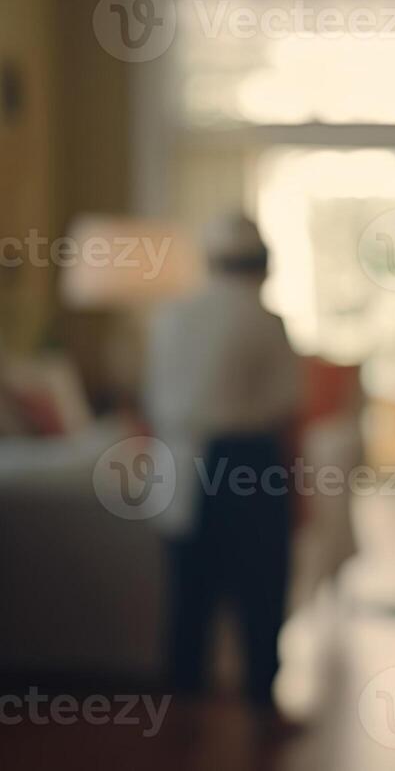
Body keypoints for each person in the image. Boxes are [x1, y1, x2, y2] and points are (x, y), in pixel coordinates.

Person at [145, 212, 303, 723]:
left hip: (181, 462)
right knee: (261, 585)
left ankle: (184, 703)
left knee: (189, 591)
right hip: (247, 459)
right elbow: (288, 406)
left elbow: (150, 398)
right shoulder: (265, 321)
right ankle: (260, 696)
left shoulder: (170, 317)